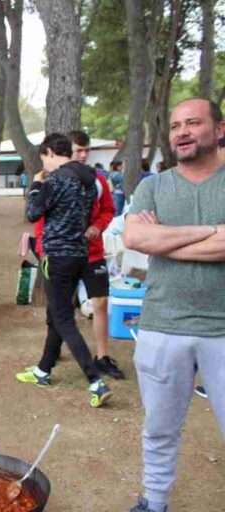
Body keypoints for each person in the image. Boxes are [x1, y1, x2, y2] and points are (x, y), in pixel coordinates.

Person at [123, 98, 225, 512]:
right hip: (162, 325)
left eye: (193, 123)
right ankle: (155, 500)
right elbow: (136, 239)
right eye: (175, 125)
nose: (181, 131)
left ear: (219, 129)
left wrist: (167, 237)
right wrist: (214, 232)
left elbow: (155, 241)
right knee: (159, 428)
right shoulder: (154, 186)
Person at [15, 133, 112, 408]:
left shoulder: (56, 179)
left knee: (63, 319)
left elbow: (33, 212)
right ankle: (43, 370)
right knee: (59, 314)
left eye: (44, 157)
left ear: (49, 152)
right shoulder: (90, 180)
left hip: (57, 256)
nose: (44, 163)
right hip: (81, 253)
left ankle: (95, 381)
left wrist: (35, 185)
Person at [33, 131, 124, 379]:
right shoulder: (52, 178)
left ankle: (102, 358)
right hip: (62, 254)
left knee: (100, 302)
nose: (83, 155)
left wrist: (97, 227)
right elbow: (40, 217)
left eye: (87, 151)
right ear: (66, 152)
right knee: (60, 311)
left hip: (92, 252)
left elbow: (108, 210)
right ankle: (48, 360)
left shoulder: (97, 179)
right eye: (78, 151)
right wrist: (42, 249)